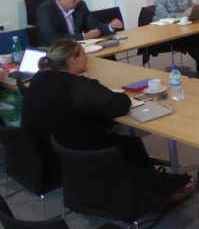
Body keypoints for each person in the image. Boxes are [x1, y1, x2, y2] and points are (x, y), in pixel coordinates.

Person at [21, 38, 152, 168]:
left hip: (44, 151)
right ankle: (151, 182)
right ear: (73, 59)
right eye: (84, 54)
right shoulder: (78, 86)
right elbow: (120, 105)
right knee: (131, 144)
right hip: (81, 153)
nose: (87, 58)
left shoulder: (39, 77)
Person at [36, 0, 124, 47]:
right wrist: (83, 36)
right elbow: (53, 39)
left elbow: (93, 25)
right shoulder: (44, 10)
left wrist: (110, 26)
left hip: (78, 48)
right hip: (56, 51)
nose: (77, 0)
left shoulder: (80, 5)